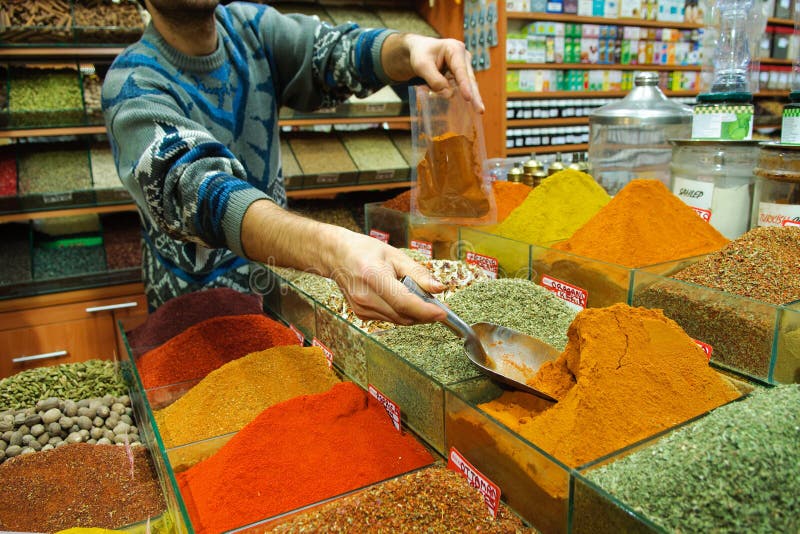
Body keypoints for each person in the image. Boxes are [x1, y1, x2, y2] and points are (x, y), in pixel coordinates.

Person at [102, 0, 484, 324]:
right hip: (194, 319)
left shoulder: (251, 29)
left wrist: (410, 48)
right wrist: (333, 249)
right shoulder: (133, 84)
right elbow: (202, 194)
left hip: (279, 298)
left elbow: (334, 51)